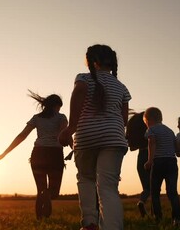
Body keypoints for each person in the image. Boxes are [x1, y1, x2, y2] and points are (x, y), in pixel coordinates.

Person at [59, 44, 131, 230]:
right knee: (108, 187)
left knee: (86, 179)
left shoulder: (83, 78)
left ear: (91, 61)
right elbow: (123, 119)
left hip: (86, 137)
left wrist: (71, 127)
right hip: (114, 138)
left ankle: (90, 222)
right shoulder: (121, 87)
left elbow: (78, 94)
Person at [0, 90, 68, 220]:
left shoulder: (36, 118)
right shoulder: (62, 117)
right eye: (59, 107)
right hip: (54, 155)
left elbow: (22, 136)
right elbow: (63, 136)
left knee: (41, 190)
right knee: (53, 192)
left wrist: (3, 154)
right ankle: (45, 214)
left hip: (38, 154)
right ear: (57, 106)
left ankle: (40, 220)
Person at [143, 107, 180, 226]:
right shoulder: (169, 131)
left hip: (158, 162)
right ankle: (177, 218)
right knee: (172, 192)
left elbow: (152, 143)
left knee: (155, 192)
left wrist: (149, 160)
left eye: (146, 122)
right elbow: (176, 148)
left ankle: (158, 217)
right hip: (171, 162)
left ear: (148, 120)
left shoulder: (151, 130)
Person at [126, 111, 150, 217]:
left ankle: (141, 201)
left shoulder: (136, 132)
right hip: (151, 156)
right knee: (154, 187)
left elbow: (132, 148)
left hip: (141, 157)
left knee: (146, 187)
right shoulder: (151, 130)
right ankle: (156, 214)